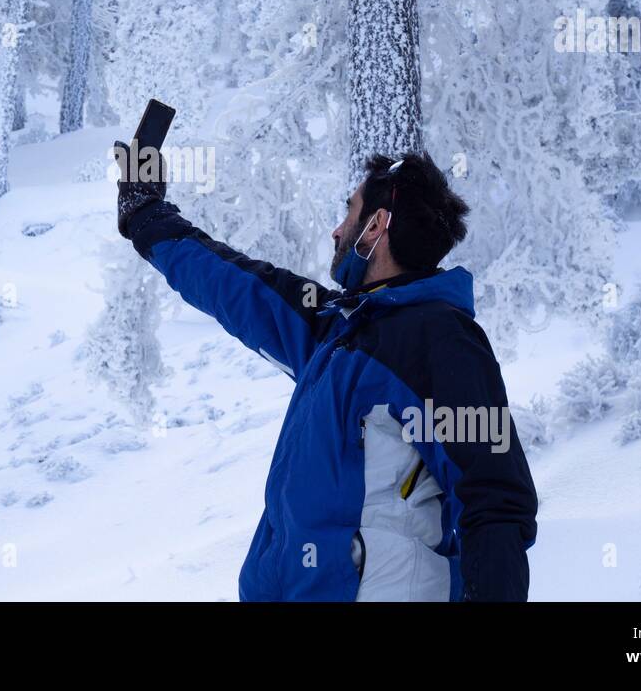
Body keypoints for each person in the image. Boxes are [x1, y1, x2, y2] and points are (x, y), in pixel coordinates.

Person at [115, 143, 538, 601]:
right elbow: (238, 285)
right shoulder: (338, 331)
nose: (337, 232)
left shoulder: (439, 339)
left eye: (350, 212)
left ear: (376, 226)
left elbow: (495, 497)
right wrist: (148, 218)